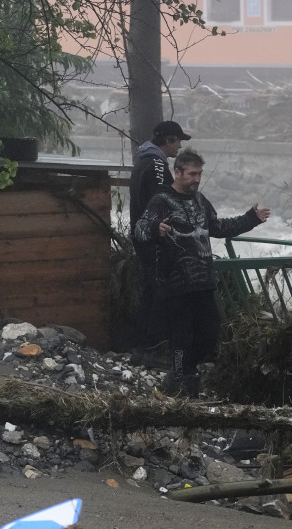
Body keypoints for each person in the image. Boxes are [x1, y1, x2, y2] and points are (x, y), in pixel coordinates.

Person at [134, 147, 271, 397]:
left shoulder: (200, 200)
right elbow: (139, 230)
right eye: (192, 174)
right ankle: (181, 379)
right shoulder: (161, 201)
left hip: (203, 282)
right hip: (175, 284)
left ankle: (182, 372)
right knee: (180, 339)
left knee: (210, 335)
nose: (197, 179)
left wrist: (251, 218)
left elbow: (218, 227)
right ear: (177, 173)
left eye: (200, 174)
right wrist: (156, 228)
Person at [128, 120, 192, 367]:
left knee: (149, 292)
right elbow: (160, 202)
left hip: (142, 235)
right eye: (178, 141)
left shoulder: (143, 160)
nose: (179, 147)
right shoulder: (156, 164)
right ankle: (151, 350)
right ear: (168, 140)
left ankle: (140, 348)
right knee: (160, 293)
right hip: (154, 238)